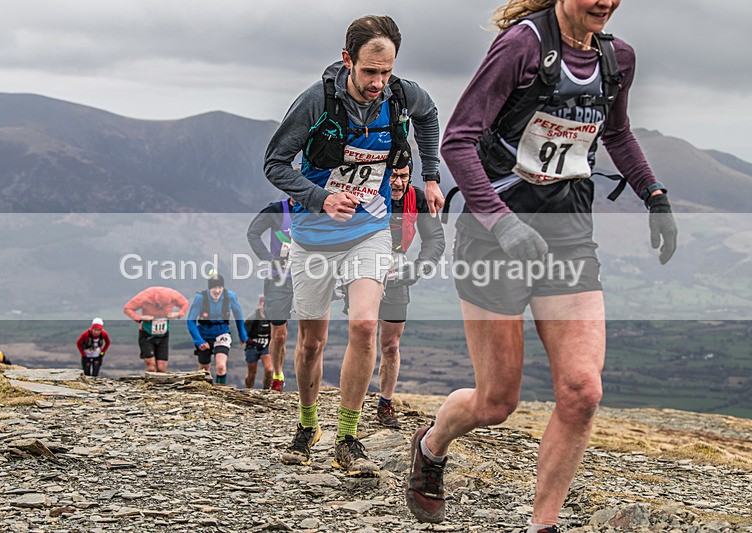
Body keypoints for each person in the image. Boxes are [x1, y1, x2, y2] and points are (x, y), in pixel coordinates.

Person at [405, 0, 678, 529]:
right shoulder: (522, 46)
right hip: (493, 242)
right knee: (495, 402)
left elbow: (616, 133)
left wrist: (655, 194)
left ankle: (542, 524)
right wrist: (502, 221)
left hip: (568, 240)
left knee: (582, 392)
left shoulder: (617, 57)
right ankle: (433, 444)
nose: (605, 1)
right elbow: (459, 139)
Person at [264, 14, 443, 477]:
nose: (378, 83)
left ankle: (348, 435)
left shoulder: (402, 94)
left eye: (386, 72)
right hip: (314, 236)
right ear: (348, 60)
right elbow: (276, 164)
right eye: (369, 72)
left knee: (364, 326)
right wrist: (320, 197)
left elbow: (428, 116)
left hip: (370, 230)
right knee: (311, 342)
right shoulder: (314, 101)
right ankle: (307, 426)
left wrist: (430, 176)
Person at [372, 160, 445, 428]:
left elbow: (436, 239)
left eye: (403, 176)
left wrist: (417, 269)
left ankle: (385, 404)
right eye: (392, 176)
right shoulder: (368, 192)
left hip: (398, 273)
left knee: (391, 345)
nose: (398, 183)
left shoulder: (418, 198)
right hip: (363, 270)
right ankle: (351, 404)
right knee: (364, 336)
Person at [246, 197, 295, 391]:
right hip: (279, 279)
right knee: (279, 335)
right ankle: (277, 375)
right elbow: (253, 233)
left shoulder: (317, 208)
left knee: (310, 336)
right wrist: (268, 258)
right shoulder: (276, 210)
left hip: (307, 278)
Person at [186, 275, 248, 385]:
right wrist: (199, 341)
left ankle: (220, 391)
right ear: (209, 288)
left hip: (222, 333)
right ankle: (204, 394)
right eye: (214, 288)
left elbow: (239, 315)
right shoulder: (200, 298)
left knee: (221, 367)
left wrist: (242, 335)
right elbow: (190, 321)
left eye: (220, 287)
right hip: (204, 335)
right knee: (204, 370)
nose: (217, 291)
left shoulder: (230, 297)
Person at [123, 286, 189, 373]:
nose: (161, 307)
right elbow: (127, 308)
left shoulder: (174, 295)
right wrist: (140, 317)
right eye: (159, 305)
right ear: (155, 300)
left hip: (163, 334)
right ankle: (149, 385)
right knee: (151, 365)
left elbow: (185, 303)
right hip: (146, 333)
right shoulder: (145, 296)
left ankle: (159, 386)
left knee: (162, 368)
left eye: (165, 305)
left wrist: (178, 313)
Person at [243, 295, 274, 389]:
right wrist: (251, 343)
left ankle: (266, 389)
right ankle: (248, 389)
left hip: (266, 345)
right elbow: (243, 335)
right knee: (252, 373)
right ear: (260, 305)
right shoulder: (252, 318)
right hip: (252, 345)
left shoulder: (273, 318)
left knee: (269, 369)